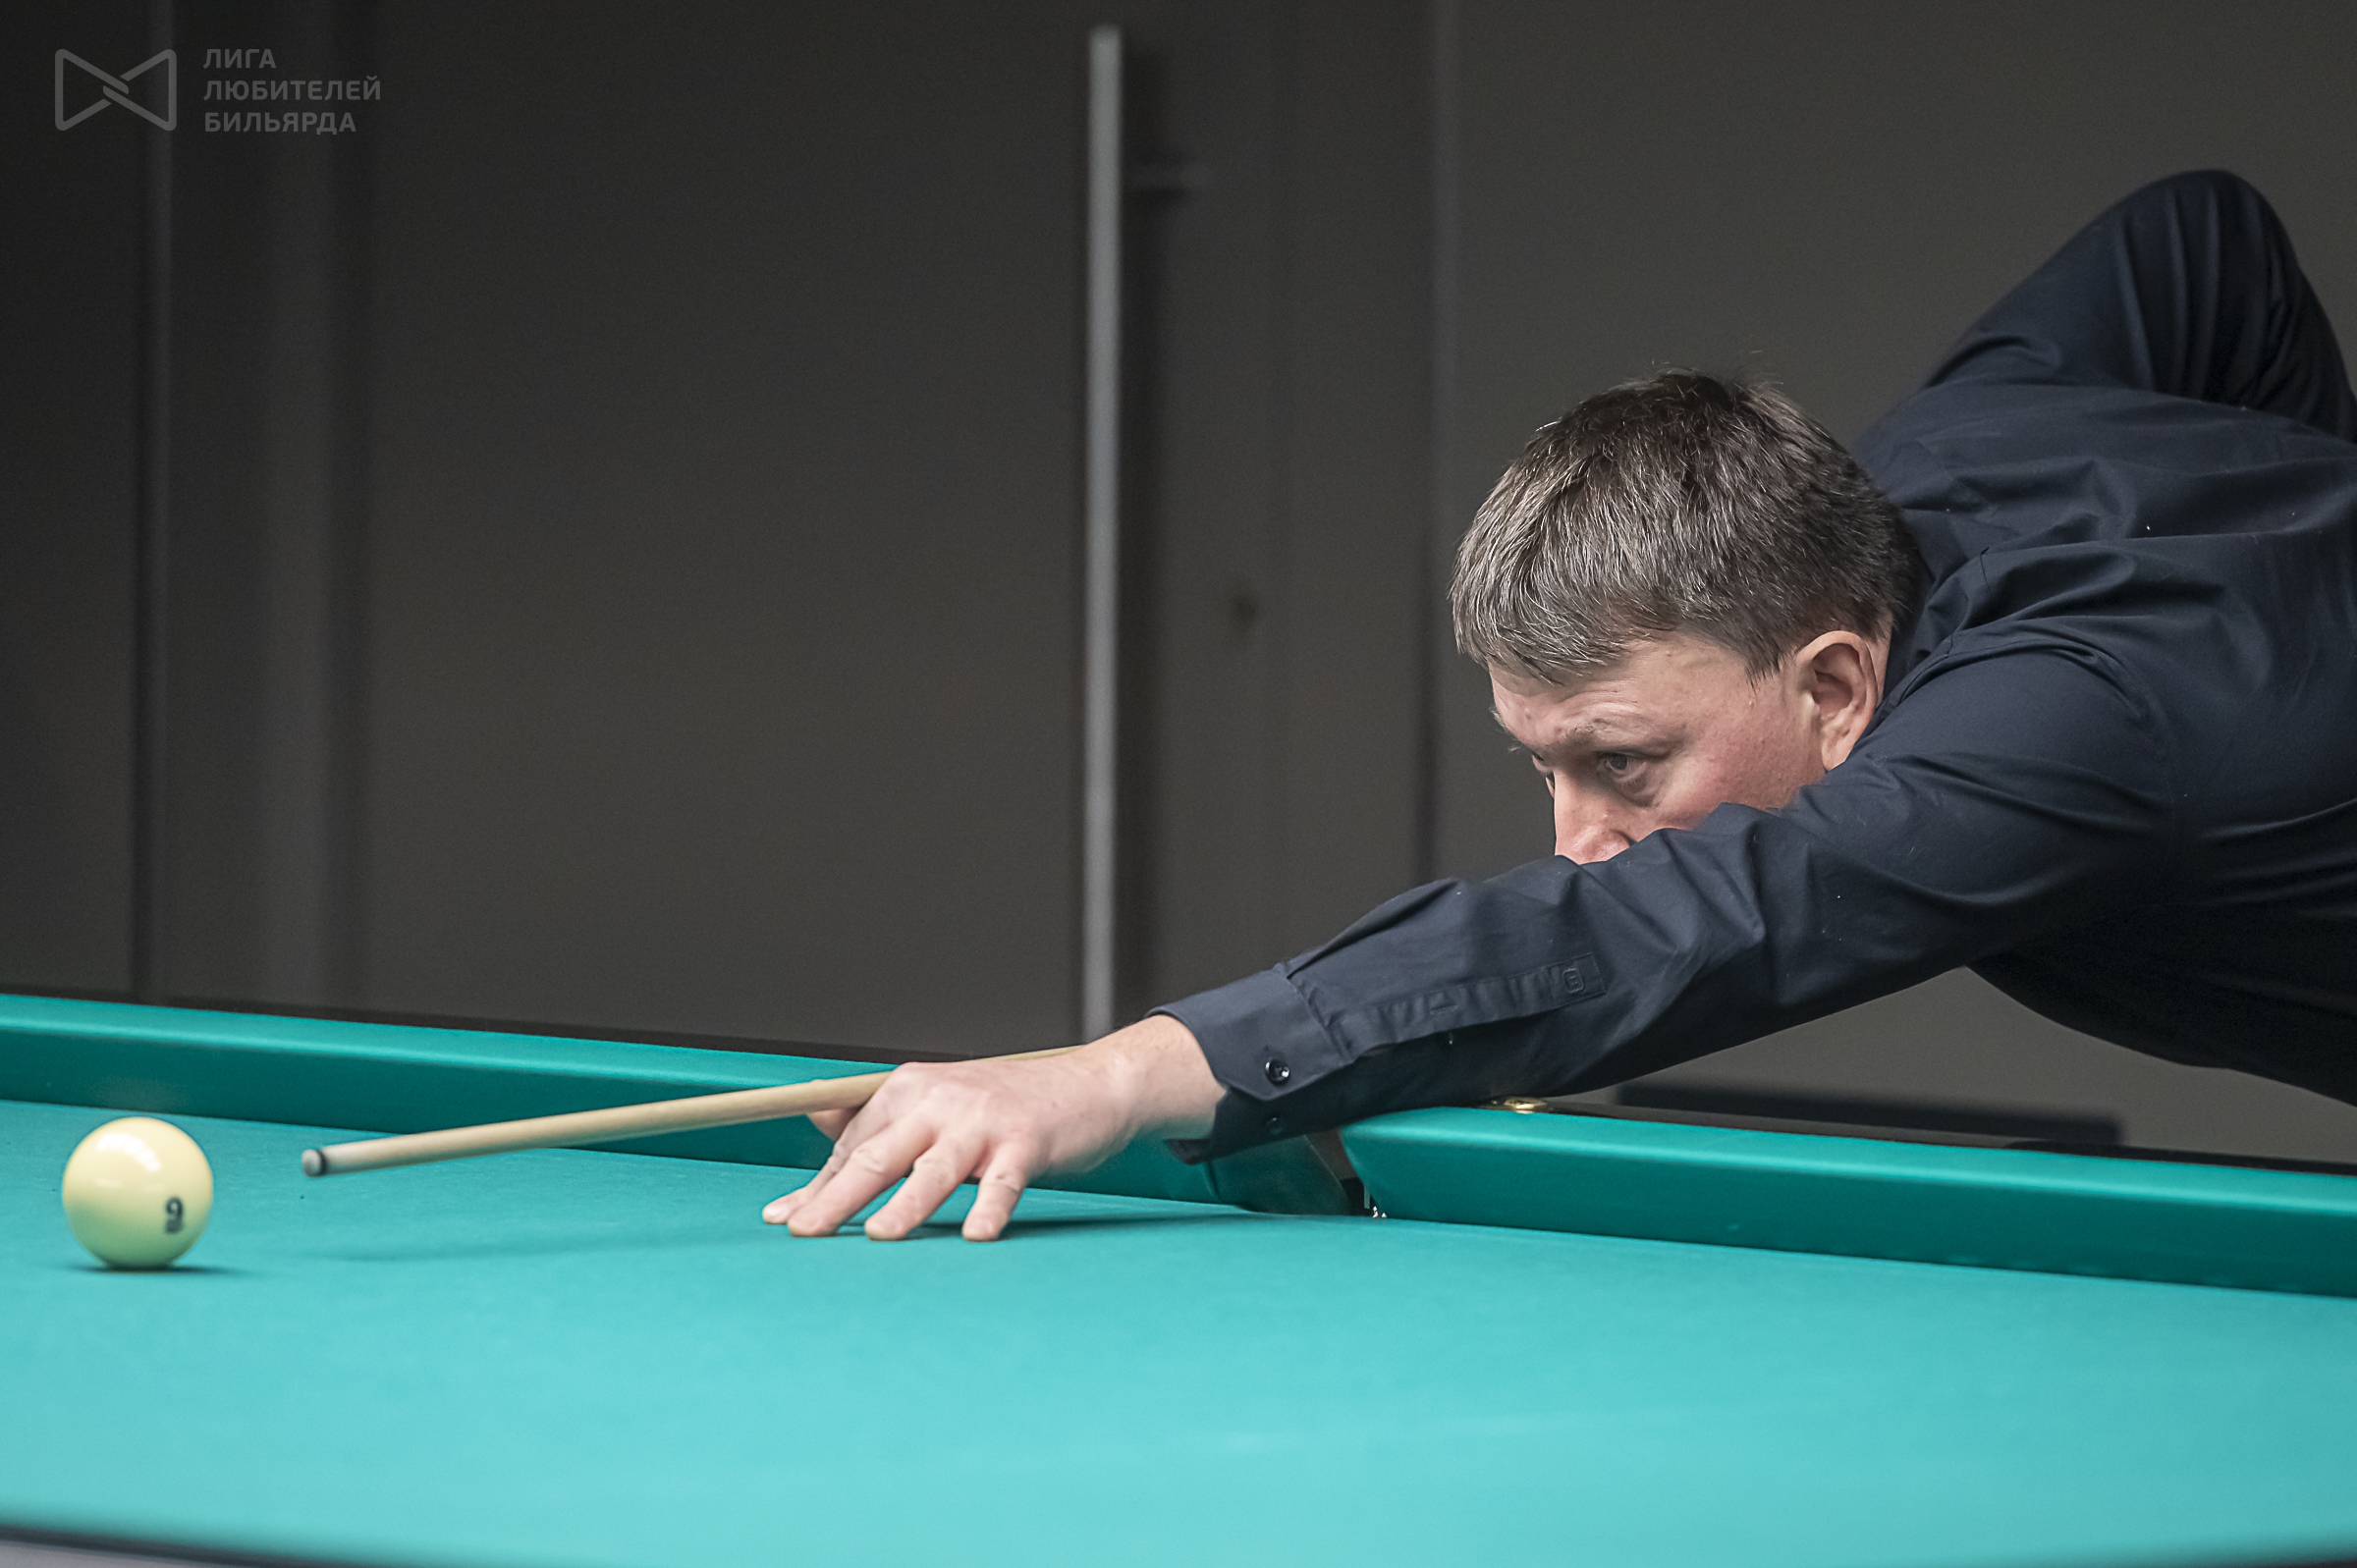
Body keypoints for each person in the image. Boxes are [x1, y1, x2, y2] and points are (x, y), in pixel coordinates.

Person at [767, 169, 2357, 1243]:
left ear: (1837, 682)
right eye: (1546, 767)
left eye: (1626, 763)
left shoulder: (2077, 725)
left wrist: (1117, 1073)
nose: (1582, 839)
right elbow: (2202, 241)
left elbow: (1678, 928)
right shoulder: (1932, 466)